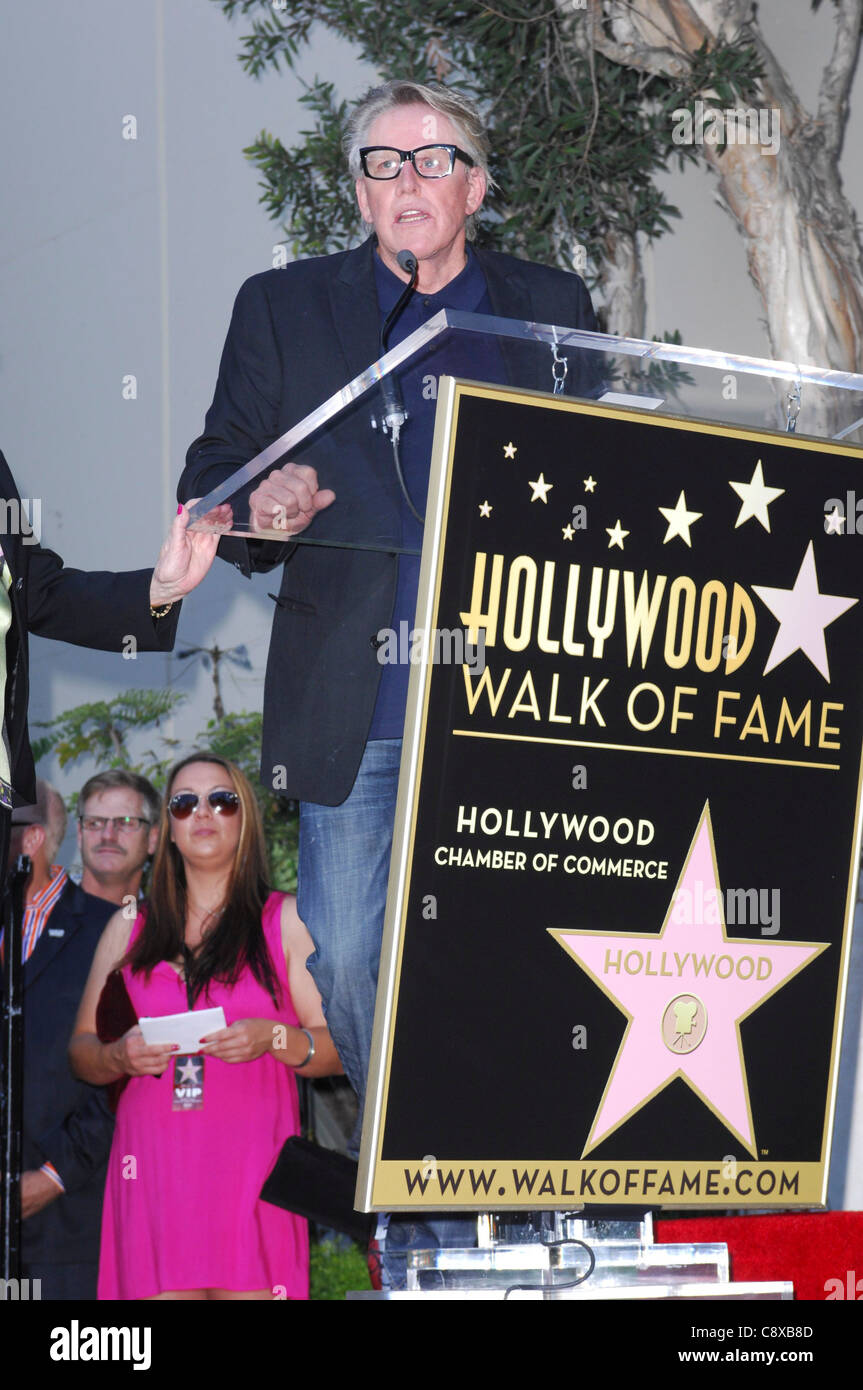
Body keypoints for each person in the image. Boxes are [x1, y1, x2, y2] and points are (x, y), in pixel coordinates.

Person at [177, 79, 601, 1129]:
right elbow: (217, 461)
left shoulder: (550, 305)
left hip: (517, 698)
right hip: (357, 703)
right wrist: (257, 501)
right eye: (382, 164)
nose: (407, 180)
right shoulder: (279, 305)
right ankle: (420, 1148)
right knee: (352, 954)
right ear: (357, 196)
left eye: (432, 159)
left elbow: (607, 473)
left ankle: (512, 1168)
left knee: (530, 948)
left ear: (477, 186)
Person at [69, 753, 342, 1301]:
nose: (203, 813)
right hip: (153, 1174)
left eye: (222, 800)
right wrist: (120, 1056)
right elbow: (81, 1051)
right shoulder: (130, 925)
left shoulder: (286, 919)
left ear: (245, 820)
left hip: (253, 1170)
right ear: (166, 830)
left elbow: (335, 1051)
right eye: (184, 802)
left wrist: (274, 1037)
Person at [7, 775, 156, 1300]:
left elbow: (126, 1071)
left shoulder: (112, 929)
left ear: (30, 840)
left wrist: (52, 1176)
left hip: (70, 1221)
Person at [76, 770, 161, 906]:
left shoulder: (168, 925)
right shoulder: (41, 920)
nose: (108, 836)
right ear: (80, 834)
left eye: (125, 823)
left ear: (152, 838)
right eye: (94, 823)